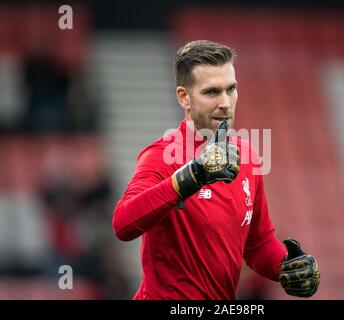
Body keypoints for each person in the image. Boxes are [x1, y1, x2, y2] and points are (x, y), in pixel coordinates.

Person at [112, 40, 320, 300]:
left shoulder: (247, 155)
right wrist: (192, 176)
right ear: (184, 97)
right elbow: (122, 224)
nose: (225, 102)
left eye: (231, 89)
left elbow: (257, 244)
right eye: (211, 92)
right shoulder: (161, 156)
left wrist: (285, 267)